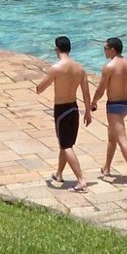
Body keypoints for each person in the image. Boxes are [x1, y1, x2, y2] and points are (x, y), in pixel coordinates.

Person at [90, 37, 127, 186]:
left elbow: (101, 89)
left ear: (112, 50)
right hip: (126, 105)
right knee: (112, 136)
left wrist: (93, 102)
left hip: (114, 106)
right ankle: (107, 167)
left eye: (105, 48)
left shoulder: (109, 67)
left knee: (121, 138)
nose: (104, 51)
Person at [35, 35, 92, 190]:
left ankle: (80, 179)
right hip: (74, 108)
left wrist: (38, 87)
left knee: (66, 146)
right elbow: (86, 93)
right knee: (65, 143)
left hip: (61, 110)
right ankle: (59, 173)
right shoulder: (80, 69)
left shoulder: (56, 68)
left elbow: (41, 88)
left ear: (56, 49)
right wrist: (88, 112)